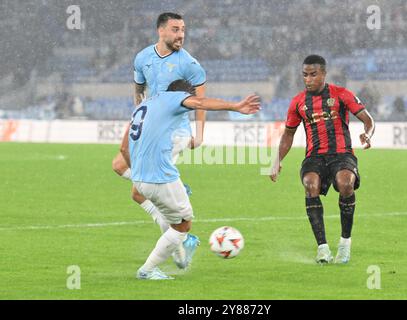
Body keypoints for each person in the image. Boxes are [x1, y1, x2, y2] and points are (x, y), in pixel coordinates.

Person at [120, 80, 260, 279]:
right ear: (186, 96)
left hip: (141, 178)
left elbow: (123, 149)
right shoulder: (177, 98)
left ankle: (178, 254)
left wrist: (140, 174)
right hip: (161, 177)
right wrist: (235, 106)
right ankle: (148, 269)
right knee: (183, 225)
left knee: (171, 219)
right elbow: (202, 104)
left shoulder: (143, 106)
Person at [111, 13, 207, 267]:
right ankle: (179, 239)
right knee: (121, 168)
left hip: (175, 131)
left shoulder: (189, 64)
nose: (181, 35)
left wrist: (199, 133)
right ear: (161, 31)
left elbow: (201, 100)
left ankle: (176, 238)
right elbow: (139, 93)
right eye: (175, 29)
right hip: (150, 126)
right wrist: (137, 119)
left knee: (140, 188)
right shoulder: (142, 58)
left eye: (183, 29)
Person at [270, 55, 375, 264]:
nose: (308, 79)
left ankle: (345, 244)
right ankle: (323, 248)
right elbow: (288, 134)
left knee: (346, 184)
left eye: (313, 74)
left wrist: (368, 134)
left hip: (342, 154)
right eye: (305, 75)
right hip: (315, 156)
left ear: (324, 74)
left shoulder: (341, 94)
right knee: (310, 184)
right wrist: (277, 159)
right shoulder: (298, 102)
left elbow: (367, 119)